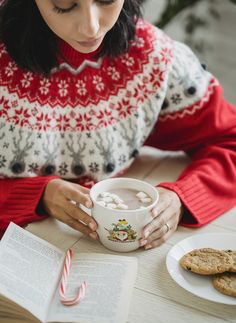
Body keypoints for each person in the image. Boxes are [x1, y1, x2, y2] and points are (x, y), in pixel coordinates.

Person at [0, 0, 236, 249]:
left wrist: (181, 198)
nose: (91, 28)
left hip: (94, 257)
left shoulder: (151, 59)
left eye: (106, 0)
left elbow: (229, 140)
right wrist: (36, 196)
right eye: (64, 6)